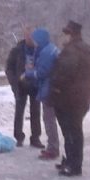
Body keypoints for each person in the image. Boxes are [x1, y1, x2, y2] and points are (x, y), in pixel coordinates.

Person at [49, 20, 90, 177]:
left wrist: (54, 84)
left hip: (68, 98)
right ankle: (70, 160)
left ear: (71, 34)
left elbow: (63, 74)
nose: (63, 37)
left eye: (66, 33)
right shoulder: (89, 51)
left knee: (71, 132)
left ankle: (74, 165)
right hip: (83, 98)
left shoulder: (72, 51)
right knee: (74, 131)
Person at [5, 26, 43, 148]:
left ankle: (35, 137)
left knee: (36, 111)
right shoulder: (17, 50)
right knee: (19, 112)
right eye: (28, 36)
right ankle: (19, 136)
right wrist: (13, 81)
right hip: (20, 85)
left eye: (32, 36)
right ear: (25, 36)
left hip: (35, 84)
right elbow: (9, 67)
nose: (30, 38)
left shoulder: (40, 50)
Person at [31, 28, 60, 160]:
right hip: (53, 89)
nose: (34, 43)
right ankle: (53, 146)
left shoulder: (46, 53)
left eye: (35, 40)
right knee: (50, 119)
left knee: (49, 120)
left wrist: (29, 73)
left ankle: (52, 148)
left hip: (48, 90)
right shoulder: (51, 49)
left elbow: (42, 72)